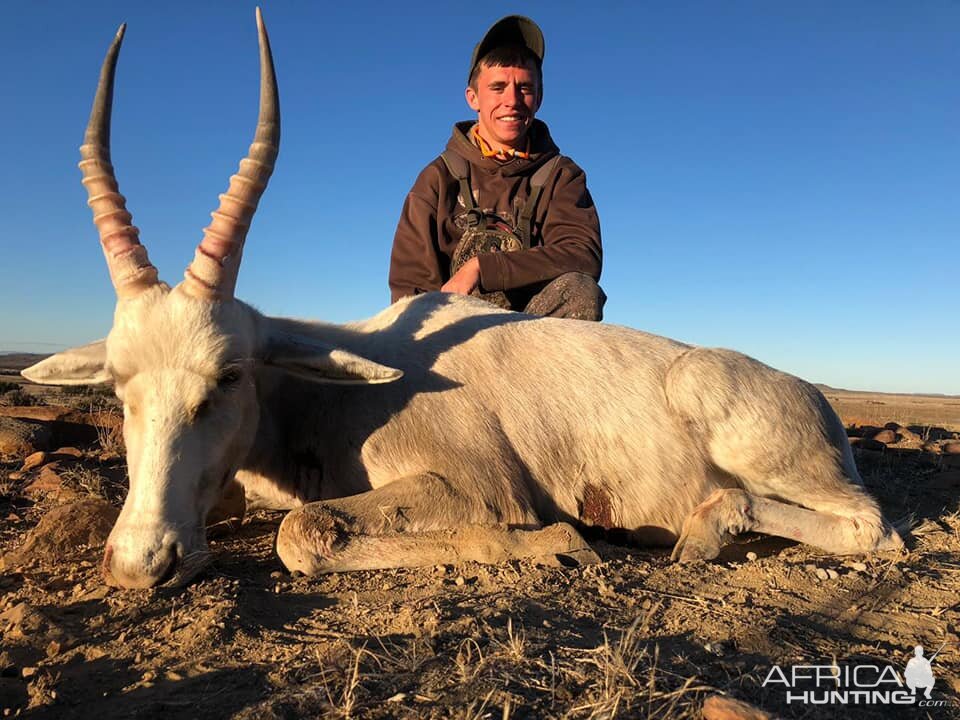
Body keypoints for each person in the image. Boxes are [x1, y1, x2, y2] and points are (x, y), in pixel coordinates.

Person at [388, 15, 605, 320]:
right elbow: (409, 293)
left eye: (525, 88)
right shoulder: (436, 179)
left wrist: (481, 268)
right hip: (460, 336)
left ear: (539, 97)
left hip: (535, 337)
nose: (512, 100)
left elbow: (582, 255)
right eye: (498, 87)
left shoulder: (562, 176)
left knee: (579, 290)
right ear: (473, 98)